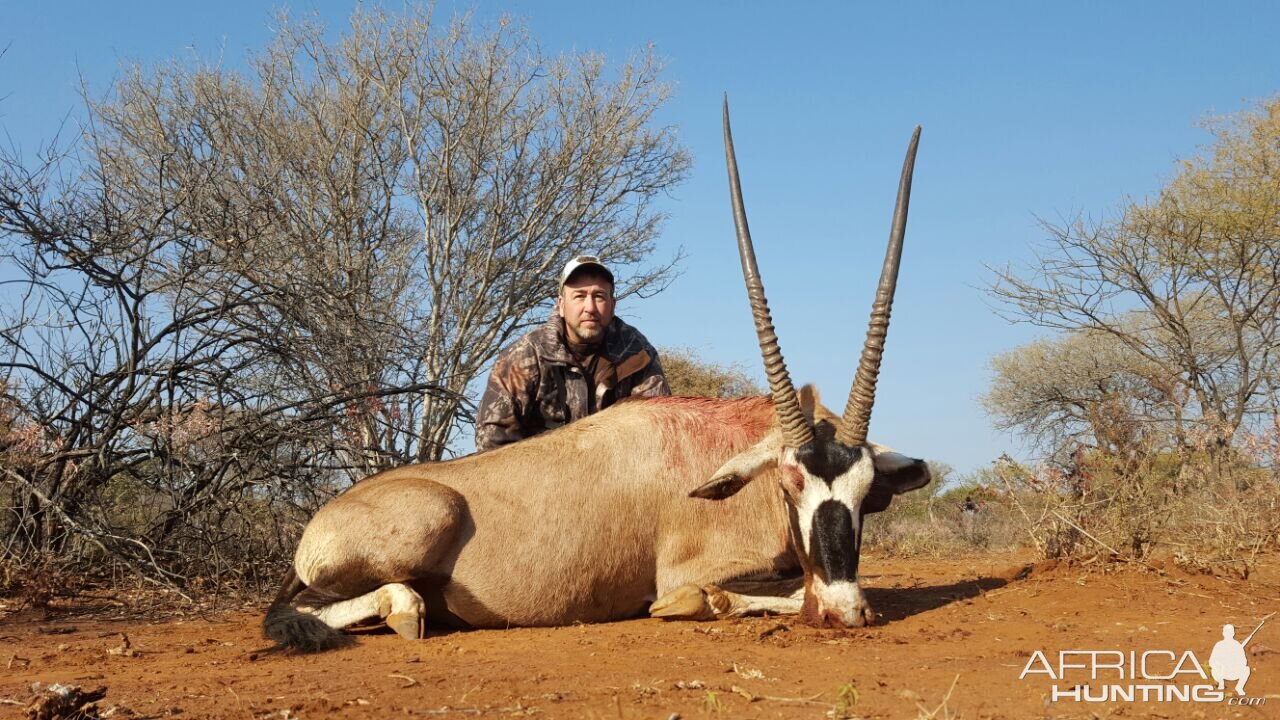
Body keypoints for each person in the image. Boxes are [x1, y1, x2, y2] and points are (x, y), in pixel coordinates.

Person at [475, 255, 670, 451]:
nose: (590, 308)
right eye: (579, 296)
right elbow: (492, 444)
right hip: (540, 476)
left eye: (599, 296)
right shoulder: (523, 355)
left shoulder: (638, 354)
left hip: (616, 474)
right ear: (561, 305)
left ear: (613, 306)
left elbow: (658, 431)